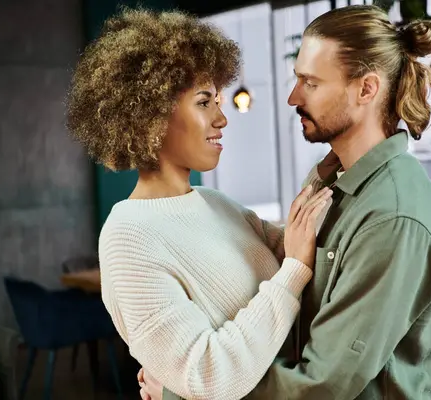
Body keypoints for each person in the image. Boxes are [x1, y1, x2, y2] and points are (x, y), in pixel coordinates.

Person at [141, 4, 431, 400]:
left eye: (310, 83)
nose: (293, 97)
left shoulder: (392, 218)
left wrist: (181, 392)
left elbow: (322, 386)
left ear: (366, 89)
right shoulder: (331, 178)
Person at [65, 7, 334, 400]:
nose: (222, 118)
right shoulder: (127, 238)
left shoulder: (215, 203)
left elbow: (306, 249)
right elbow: (209, 376)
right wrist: (292, 272)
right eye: (205, 102)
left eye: (219, 101)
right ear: (151, 114)